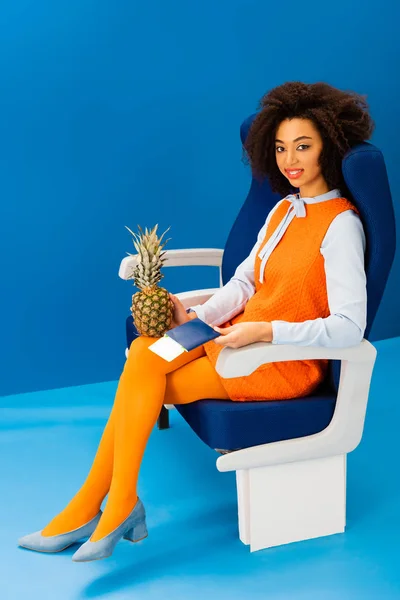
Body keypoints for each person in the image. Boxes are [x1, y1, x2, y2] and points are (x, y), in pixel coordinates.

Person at [18, 81, 374, 561]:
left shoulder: (341, 225)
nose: (291, 160)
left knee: (139, 382)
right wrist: (198, 317)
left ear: (329, 147)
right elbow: (246, 284)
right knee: (146, 354)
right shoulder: (284, 211)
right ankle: (111, 503)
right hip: (230, 340)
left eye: (304, 147)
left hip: (273, 362)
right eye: (281, 147)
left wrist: (263, 332)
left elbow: (350, 327)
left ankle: (102, 506)